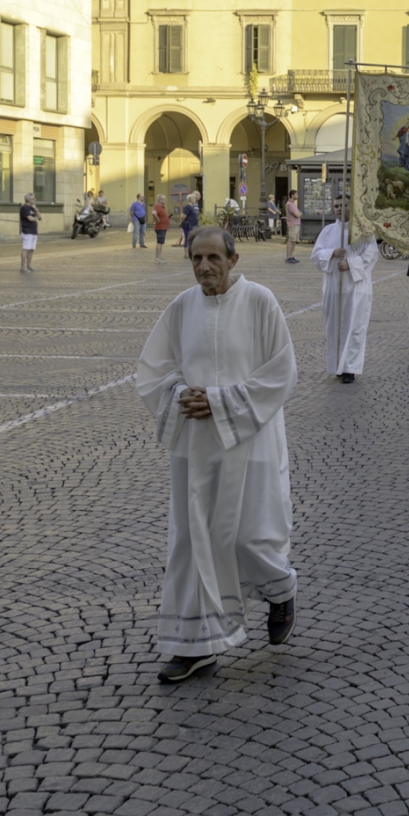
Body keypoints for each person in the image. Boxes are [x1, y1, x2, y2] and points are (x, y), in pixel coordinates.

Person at [136, 225, 299, 684]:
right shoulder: (181, 307)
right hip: (196, 446)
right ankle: (194, 646)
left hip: (253, 441)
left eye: (213, 257)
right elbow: (154, 369)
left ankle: (281, 589)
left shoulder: (260, 302)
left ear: (233, 260)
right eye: (196, 258)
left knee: (250, 537)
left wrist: (221, 402)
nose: (204, 266)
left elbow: (281, 372)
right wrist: (179, 394)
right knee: (192, 541)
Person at [311, 196, 376, 383]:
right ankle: (337, 365)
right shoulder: (328, 231)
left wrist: (350, 264)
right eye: (336, 206)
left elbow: (372, 254)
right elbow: (316, 255)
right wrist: (331, 253)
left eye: (344, 205)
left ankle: (350, 368)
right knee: (335, 326)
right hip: (333, 286)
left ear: (351, 207)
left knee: (354, 326)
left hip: (356, 287)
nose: (339, 209)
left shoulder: (363, 231)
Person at [18, 193, 41, 272]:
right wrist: (35, 218)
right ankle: (23, 267)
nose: (35, 200)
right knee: (26, 249)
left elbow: (40, 217)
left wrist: (36, 209)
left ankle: (29, 266)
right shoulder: (24, 208)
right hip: (27, 231)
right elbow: (30, 218)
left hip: (34, 231)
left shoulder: (32, 208)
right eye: (33, 199)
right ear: (29, 200)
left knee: (31, 249)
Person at [180, 191, 201, 257]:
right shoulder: (187, 207)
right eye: (194, 198)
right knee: (187, 239)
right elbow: (183, 216)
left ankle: (192, 252)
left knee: (193, 239)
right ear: (191, 199)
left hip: (194, 225)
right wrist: (181, 224)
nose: (195, 199)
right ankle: (186, 254)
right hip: (188, 226)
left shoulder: (192, 207)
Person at [283, 191, 302, 263]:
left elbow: (299, 213)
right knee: (291, 240)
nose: (297, 196)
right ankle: (288, 257)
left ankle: (291, 255)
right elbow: (297, 214)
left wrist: (299, 213)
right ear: (292, 195)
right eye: (296, 194)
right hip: (292, 224)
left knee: (294, 240)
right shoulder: (289, 204)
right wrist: (299, 214)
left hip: (297, 224)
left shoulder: (293, 204)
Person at [153, 193, 171, 262]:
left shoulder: (162, 207)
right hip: (160, 227)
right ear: (160, 200)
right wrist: (157, 219)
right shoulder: (158, 206)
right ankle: (157, 258)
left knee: (160, 242)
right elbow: (154, 213)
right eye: (164, 199)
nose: (165, 200)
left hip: (163, 227)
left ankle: (159, 257)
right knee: (159, 242)